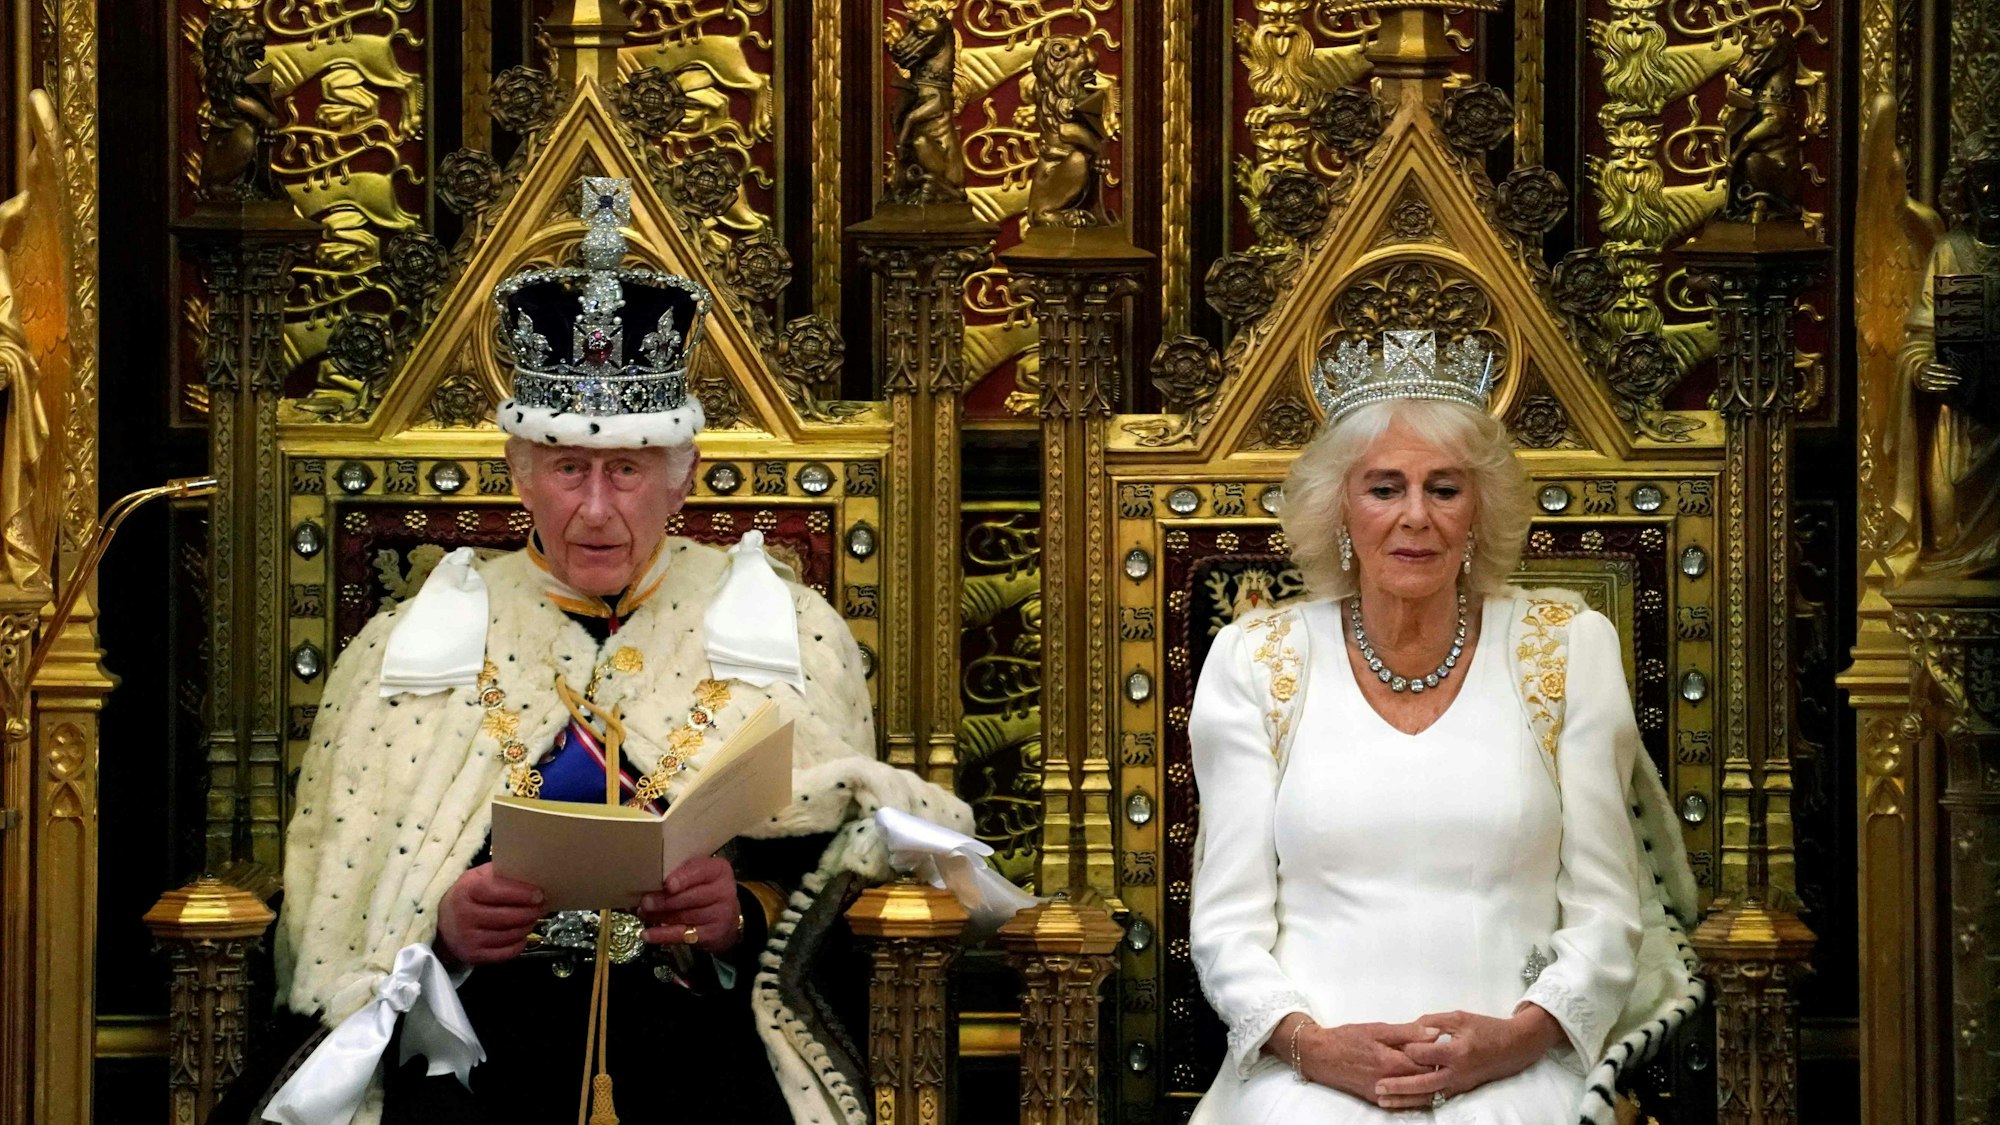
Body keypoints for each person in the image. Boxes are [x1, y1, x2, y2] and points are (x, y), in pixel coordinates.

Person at [229, 177, 971, 1125]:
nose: (594, 507)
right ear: (518, 474)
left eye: (626, 470)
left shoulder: (780, 627)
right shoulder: (411, 642)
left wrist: (744, 907)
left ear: (682, 477)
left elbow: (850, 854)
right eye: (569, 468)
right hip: (476, 1041)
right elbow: (352, 894)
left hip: (700, 1038)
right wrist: (445, 926)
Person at [1188, 330, 1699, 1124]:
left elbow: (1606, 910)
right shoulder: (1257, 659)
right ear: (1339, 510)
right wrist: (1311, 1046)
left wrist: (1520, 1038)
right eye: (1385, 487)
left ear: (1479, 510)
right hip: (1305, 1075)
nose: (1415, 516)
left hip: (1522, 1061)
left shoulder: (1566, 648)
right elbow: (1225, 923)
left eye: (1445, 488)